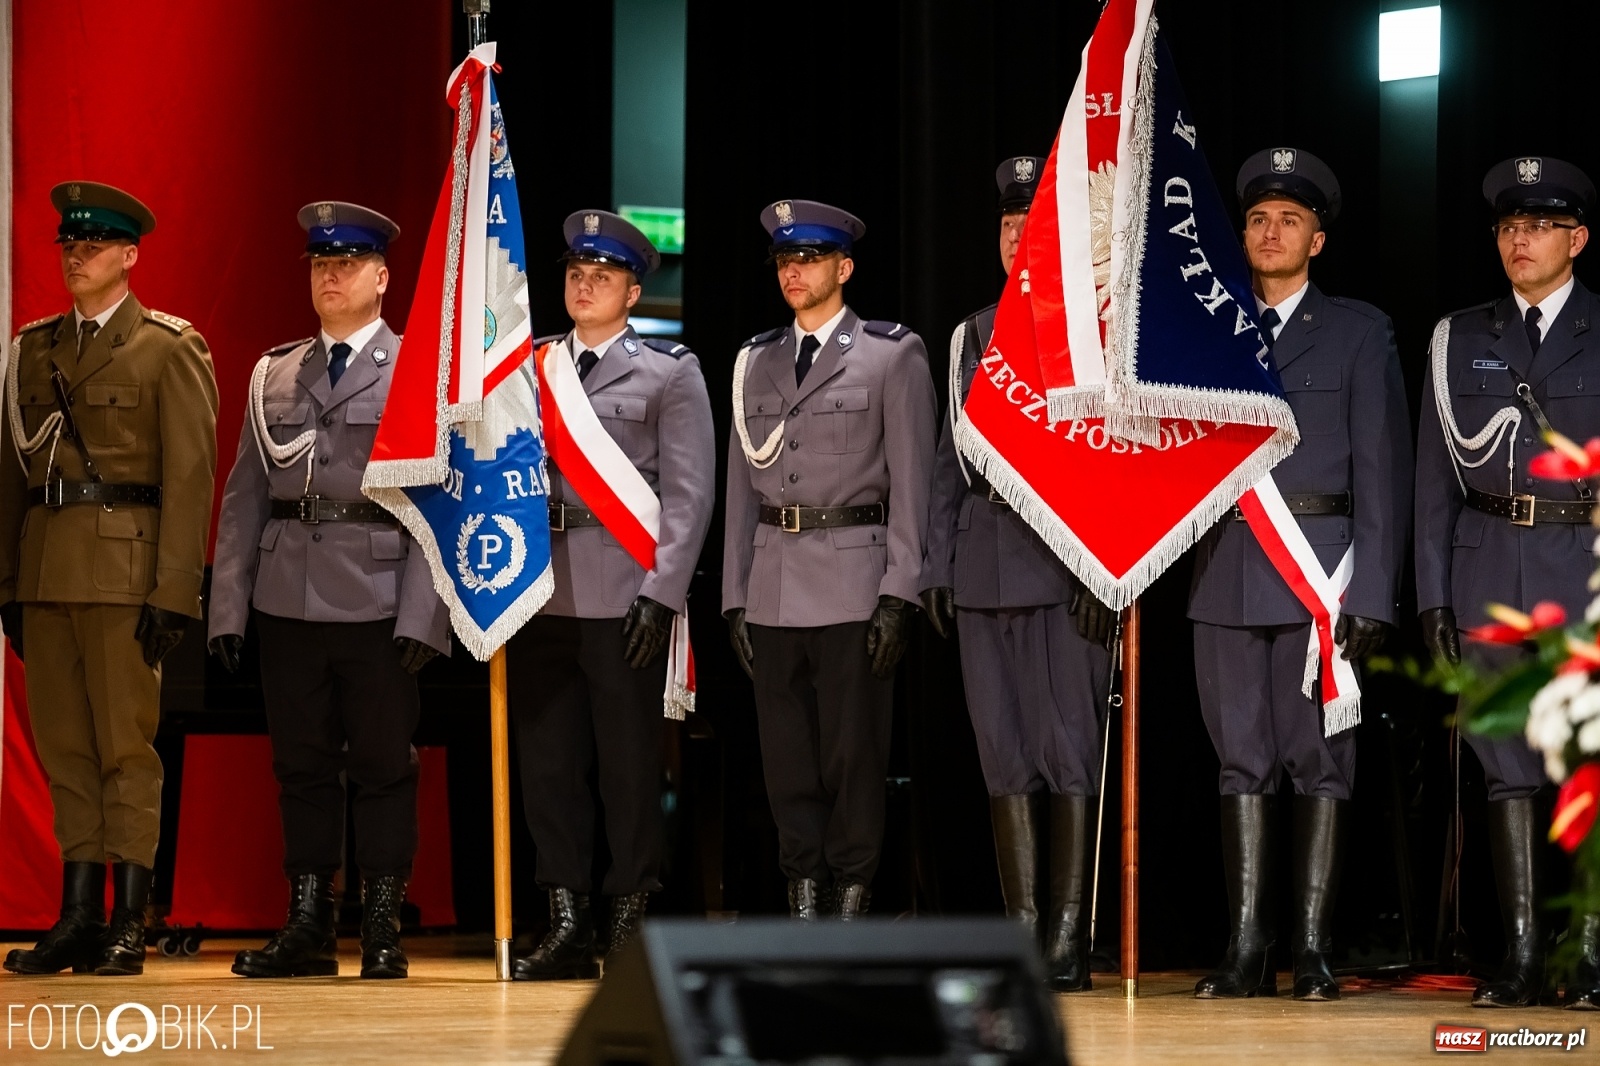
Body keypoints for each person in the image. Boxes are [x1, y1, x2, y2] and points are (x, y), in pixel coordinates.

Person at [1188, 148, 1411, 1001]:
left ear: (1317, 238)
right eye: (1256, 218)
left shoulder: (1358, 330)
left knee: (1321, 765)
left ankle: (1312, 949)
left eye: (1288, 219)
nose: (1270, 231)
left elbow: (1384, 469)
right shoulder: (1210, 329)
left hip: (1325, 573)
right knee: (1239, 764)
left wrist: (1375, 593)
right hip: (1225, 575)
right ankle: (1247, 947)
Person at [209, 202, 450, 980]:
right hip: (287, 598)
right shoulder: (275, 372)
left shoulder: (416, 373)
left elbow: (437, 505)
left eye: (347, 263)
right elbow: (245, 496)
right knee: (301, 766)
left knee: (383, 764)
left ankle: (380, 925)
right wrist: (228, 607)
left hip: (379, 597)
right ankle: (308, 925)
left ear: (383, 278)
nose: (332, 275)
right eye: (320, 264)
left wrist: (425, 611)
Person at [1, 181, 218, 977]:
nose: (76, 256)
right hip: (47, 569)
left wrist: (173, 593)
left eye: (92, 246)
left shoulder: (167, 347)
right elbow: (11, 476)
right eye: (68, 244)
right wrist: (7, 583)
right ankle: (77, 915)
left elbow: (191, 479)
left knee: (128, 750)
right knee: (64, 749)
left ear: (130, 256)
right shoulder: (35, 348)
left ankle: (131, 916)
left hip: (127, 574)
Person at [920, 157, 1114, 990]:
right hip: (982, 566)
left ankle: (1069, 936)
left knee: (1068, 750)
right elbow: (944, 462)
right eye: (1004, 226)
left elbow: (1117, 467)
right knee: (1002, 754)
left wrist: (1105, 569)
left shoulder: (1096, 333)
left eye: (1027, 225)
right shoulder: (970, 336)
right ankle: (1023, 934)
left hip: (1064, 565)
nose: (1012, 239)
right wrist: (936, 563)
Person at [1415, 156, 1600, 1010]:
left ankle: (1588, 954)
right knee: (1508, 769)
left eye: (1536, 227)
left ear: (1577, 239)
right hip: (1487, 563)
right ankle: (1524, 955)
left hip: (1582, 572)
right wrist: (1433, 597)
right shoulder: (1462, 336)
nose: (1518, 241)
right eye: (1505, 228)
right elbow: (1431, 483)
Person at [510, 210, 714, 980]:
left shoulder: (670, 372)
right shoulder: (528, 370)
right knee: (549, 767)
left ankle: (628, 920)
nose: (584, 284)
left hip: (627, 593)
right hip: (540, 592)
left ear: (633, 290)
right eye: (574, 273)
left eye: (602, 276)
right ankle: (566, 921)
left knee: (628, 767)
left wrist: (662, 594)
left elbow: (690, 495)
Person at [722, 199, 937, 920]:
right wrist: (734, 596)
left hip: (854, 580)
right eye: (785, 260)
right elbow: (739, 490)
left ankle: (851, 894)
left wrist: (901, 591)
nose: (794, 271)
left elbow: (912, 482)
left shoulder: (890, 354)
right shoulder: (756, 359)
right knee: (787, 762)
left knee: (852, 758)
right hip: (774, 583)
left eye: (808, 259)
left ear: (843, 268)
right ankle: (803, 897)